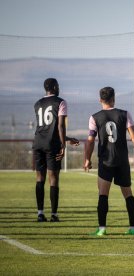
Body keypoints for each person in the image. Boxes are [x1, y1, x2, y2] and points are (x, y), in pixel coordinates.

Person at [84, 87, 134, 236]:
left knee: (103, 194)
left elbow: (90, 141)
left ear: (100, 100)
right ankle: (133, 228)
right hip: (122, 161)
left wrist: (87, 159)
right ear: (114, 98)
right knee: (128, 194)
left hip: (106, 161)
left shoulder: (94, 117)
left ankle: (102, 229)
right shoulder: (124, 114)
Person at [33, 78, 79, 222]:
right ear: (54, 87)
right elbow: (59, 126)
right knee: (53, 179)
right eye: (58, 85)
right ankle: (54, 214)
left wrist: (67, 138)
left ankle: (40, 213)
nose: (59, 87)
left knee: (40, 178)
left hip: (38, 143)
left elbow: (46, 129)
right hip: (52, 146)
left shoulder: (38, 103)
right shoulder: (60, 102)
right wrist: (63, 145)